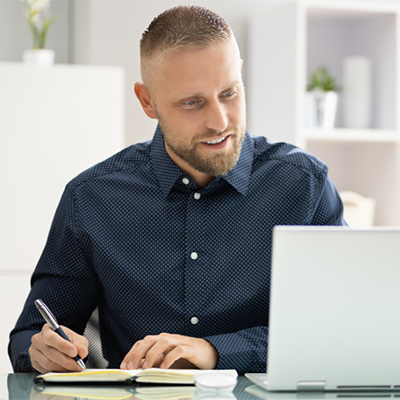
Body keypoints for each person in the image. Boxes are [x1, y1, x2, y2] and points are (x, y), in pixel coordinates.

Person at [9, 5, 346, 375]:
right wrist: (41, 350)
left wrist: (215, 351)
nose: (219, 121)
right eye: (192, 102)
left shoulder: (303, 185)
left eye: (229, 93)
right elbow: (30, 335)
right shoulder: (90, 199)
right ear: (147, 101)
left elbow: (339, 329)